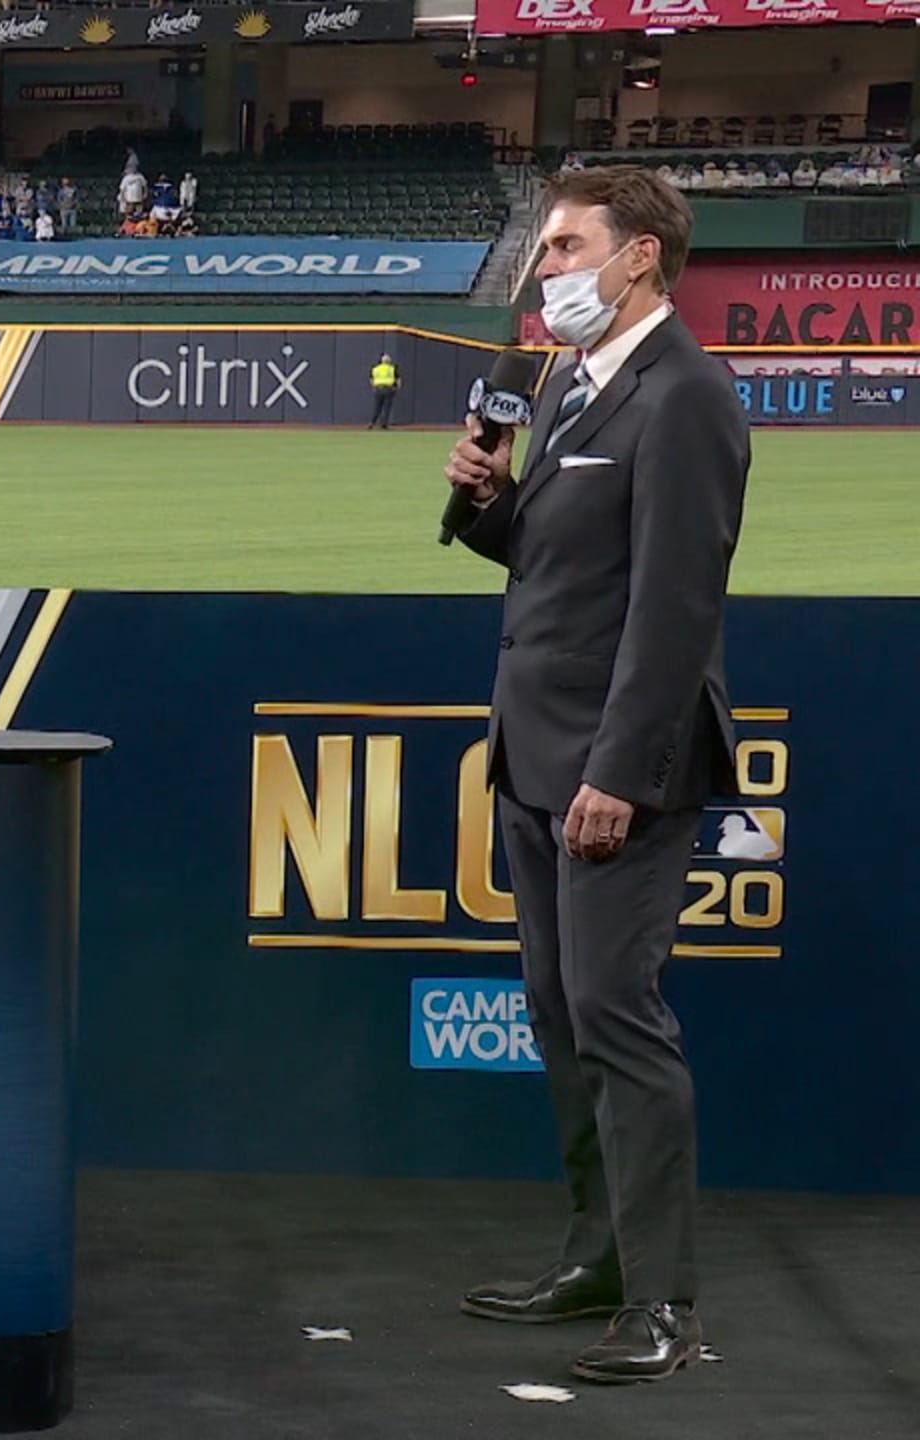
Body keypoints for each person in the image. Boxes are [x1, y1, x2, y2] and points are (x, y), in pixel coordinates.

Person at [443, 165, 745, 1386]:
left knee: (618, 1023)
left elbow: (674, 609)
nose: (546, 268)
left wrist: (619, 770)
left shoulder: (685, 396)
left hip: (614, 774)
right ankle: (598, 1261)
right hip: (534, 757)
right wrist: (485, 506)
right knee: (564, 1024)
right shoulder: (573, 382)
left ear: (639, 259)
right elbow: (558, 560)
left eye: (566, 247)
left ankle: (663, 1301)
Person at [369, 352, 399, 429]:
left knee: (377, 407)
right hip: (388, 389)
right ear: (389, 361)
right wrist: (396, 388)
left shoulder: (375, 368)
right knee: (386, 408)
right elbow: (398, 379)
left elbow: (371, 379)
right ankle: (384, 424)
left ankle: (372, 423)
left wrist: (374, 387)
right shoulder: (392, 368)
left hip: (378, 389)